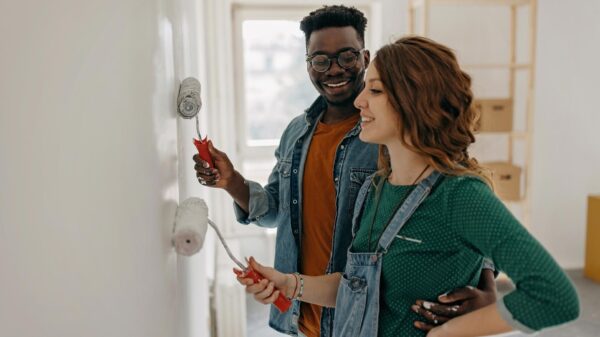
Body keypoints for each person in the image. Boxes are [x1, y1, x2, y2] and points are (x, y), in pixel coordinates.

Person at [236, 36, 580, 337]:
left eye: (375, 90)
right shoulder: (376, 188)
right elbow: (358, 287)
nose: (359, 102)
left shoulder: (458, 195)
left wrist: (450, 332)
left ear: (413, 100)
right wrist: (290, 284)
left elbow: (554, 297)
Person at [194, 6, 495, 337]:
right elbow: (277, 211)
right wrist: (231, 181)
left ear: (365, 57)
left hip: (369, 316)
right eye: (320, 60)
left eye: (346, 57)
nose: (334, 70)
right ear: (308, 65)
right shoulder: (296, 132)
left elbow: (459, 202)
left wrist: (489, 290)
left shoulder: (390, 133)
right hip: (302, 311)